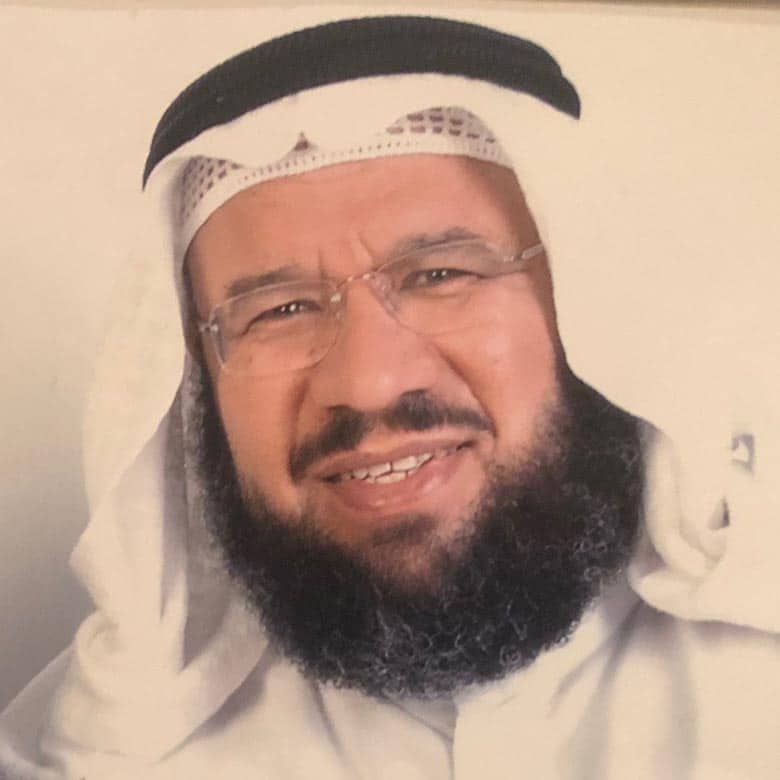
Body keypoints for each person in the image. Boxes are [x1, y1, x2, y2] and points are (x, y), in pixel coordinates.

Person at [1, 15, 777, 780]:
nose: (369, 381)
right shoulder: (84, 757)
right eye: (278, 311)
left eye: (443, 274)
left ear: (589, 304)